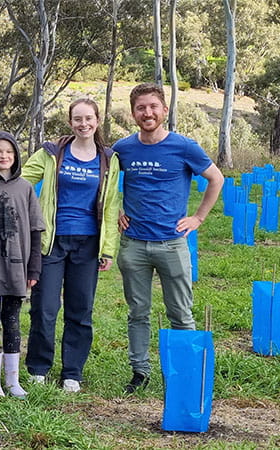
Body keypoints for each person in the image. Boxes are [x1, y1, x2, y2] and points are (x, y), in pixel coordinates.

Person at [114, 83, 224, 393]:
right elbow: (104, 182)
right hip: (133, 244)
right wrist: (116, 210)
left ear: (164, 110)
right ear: (133, 113)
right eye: (140, 108)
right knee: (138, 312)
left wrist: (198, 217)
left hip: (172, 244)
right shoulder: (123, 148)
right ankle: (140, 372)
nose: (147, 113)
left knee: (181, 313)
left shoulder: (184, 146)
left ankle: (186, 374)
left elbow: (216, 178)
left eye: (152, 107)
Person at [21, 98, 121, 393]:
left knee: (80, 310)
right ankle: (38, 367)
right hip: (51, 241)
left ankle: (72, 373)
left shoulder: (108, 158)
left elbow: (112, 204)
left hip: (88, 243)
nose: (84, 124)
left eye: (89, 118)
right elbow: (23, 181)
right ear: (70, 122)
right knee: (44, 307)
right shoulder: (52, 153)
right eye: (78, 119)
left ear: (98, 120)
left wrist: (108, 249)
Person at [0, 132, 44, 399]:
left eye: (9, 152)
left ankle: (13, 381)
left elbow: (36, 229)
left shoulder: (25, 187)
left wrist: (34, 268)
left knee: (12, 320)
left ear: (16, 156)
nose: (4, 156)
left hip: (18, 265)